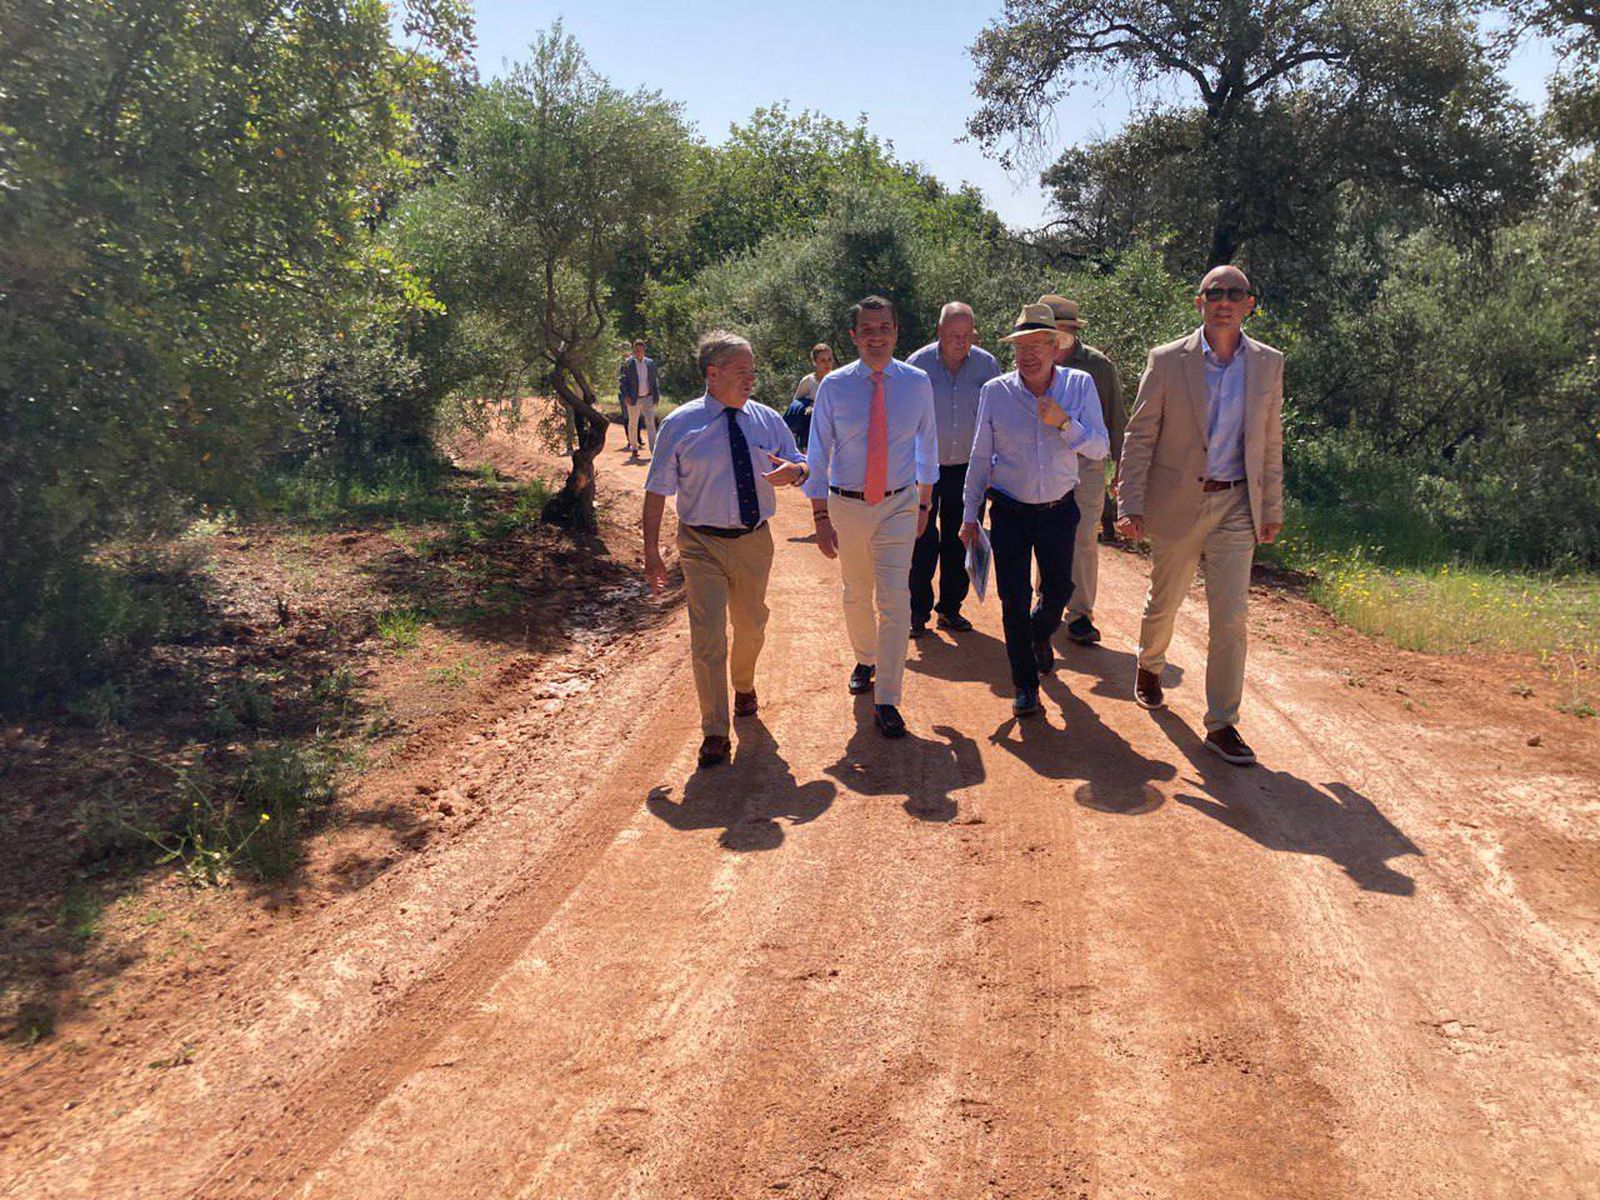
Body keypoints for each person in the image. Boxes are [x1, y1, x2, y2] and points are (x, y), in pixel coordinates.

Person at [1116, 265, 1285, 766]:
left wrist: (1271, 506)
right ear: (1199, 302)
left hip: (1237, 504)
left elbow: (1270, 440)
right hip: (1178, 502)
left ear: (1250, 304)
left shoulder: (1268, 363)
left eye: (1235, 293)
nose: (1224, 301)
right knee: (1165, 599)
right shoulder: (1168, 360)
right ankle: (1150, 664)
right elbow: (1140, 434)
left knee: (1231, 617)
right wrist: (1129, 502)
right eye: (1215, 293)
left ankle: (1222, 723)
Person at [643, 331, 808, 768]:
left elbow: (801, 462)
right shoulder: (680, 425)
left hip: (754, 541)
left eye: (752, 371)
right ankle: (714, 730)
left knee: (751, 626)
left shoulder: (766, 419)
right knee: (708, 636)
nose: (750, 379)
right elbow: (656, 491)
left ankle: (744, 684)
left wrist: (796, 472)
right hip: (701, 544)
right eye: (741, 372)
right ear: (712, 374)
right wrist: (651, 553)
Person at [961, 304, 1110, 717]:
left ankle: (1038, 633)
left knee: (1060, 590)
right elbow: (980, 456)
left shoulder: (1079, 386)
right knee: (1013, 598)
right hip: (1009, 510)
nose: (1028, 355)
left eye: (1036, 346)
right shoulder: (996, 392)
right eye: (1020, 347)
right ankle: (1025, 686)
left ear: (1054, 347)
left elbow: (1100, 448)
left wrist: (1065, 424)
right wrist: (970, 516)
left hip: (1059, 509)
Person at [803, 295, 938, 739]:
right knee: (857, 593)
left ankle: (888, 698)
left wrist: (924, 503)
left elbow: (927, 445)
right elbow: (818, 453)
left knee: (895, 599)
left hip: (899, 503)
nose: (876, 336)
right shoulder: (834, 386)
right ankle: (865, 658)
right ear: (853, 337)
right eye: (867, 329)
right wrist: (820, 515)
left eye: (884, 328)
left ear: (896, 332)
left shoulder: (917, 383)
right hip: (848, 505)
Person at [905, 303, 1000, 638]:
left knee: (960, 538)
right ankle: (916, 612)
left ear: (974, 334)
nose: (960, 342)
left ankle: (950, 608)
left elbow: (997, 419)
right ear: (939, 333)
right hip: (923, 470)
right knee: (920, 539)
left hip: (969, 470)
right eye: (953, 335)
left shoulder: (988, 366)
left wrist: (993, 467)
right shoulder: (917, 365)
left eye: (966, 335)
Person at [1038, 294, 1127, 646]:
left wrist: (1122, 470)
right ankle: (1046, 601)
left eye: (1066, 329)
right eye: (1054, 328)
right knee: (1045, 533)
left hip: (1087, 464)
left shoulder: (1098, 367)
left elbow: (1116, 418)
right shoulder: (1033, 359)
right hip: (1044, 463)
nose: (1061, 335)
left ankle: (1079, 614)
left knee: (1084, 538)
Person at [783, 343, 834, 451]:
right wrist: (809, 407)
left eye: (829, 359)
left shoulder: (837, 380)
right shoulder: (808, 381)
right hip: (811, 431)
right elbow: (796, 405)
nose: (827, 363)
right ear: (815, 362)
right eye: (823, 360)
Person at [618, 338, 660, 457]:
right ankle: (634, 447)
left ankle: (654, 450)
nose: (638, 352)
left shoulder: (650, 363)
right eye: (636, 350)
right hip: (633, 398)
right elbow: (622, 381)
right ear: (633, 350)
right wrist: (625, 395)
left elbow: (654, 381)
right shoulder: (627, 364)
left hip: (648, 397)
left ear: (644, 350)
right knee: (633, 423)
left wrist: (656, 395)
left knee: (650, 424)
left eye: (640, 350)